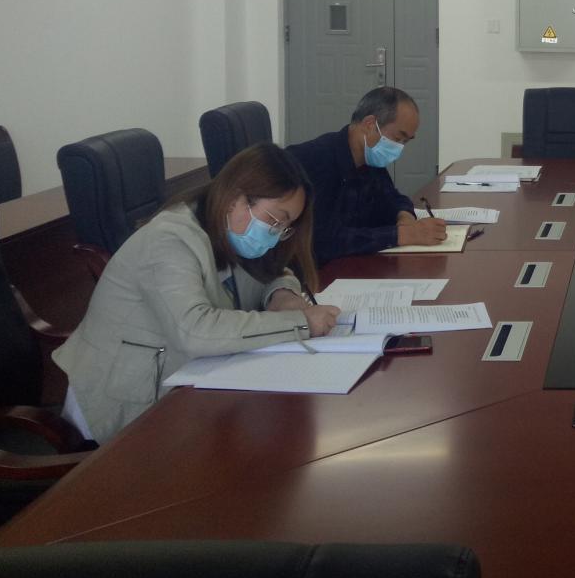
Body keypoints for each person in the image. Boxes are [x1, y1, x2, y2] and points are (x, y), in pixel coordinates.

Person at [53, 142, 341, 444]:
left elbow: (274, 270)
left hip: (181, 381)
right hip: (121, 404)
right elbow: (195, 331)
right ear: (235, 199)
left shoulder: (230, 228)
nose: (276, 234)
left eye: (286, 226)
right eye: (274, 220)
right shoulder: (168, 240)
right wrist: (301, 323)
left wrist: (282, 295)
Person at [286, 86, 446, 266]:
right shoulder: (313, 161)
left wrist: (404, 216)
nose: (399, 148)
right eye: (397, 138)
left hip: (355, 265)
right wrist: (403, 235)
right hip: (313, 273)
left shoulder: (370, 160)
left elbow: (393, 198)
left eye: (405, 142)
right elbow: (321, 241)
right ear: (370, 124)